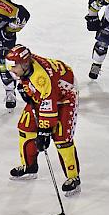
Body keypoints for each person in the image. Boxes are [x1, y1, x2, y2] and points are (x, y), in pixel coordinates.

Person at [5, 45, 80, 196]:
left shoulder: (41, 77)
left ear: (24, 64)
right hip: (47, 93)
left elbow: (49, 106)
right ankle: (29, 167)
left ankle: (73, 178)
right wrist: (24, 87)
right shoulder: (26, 66)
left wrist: (44, 133)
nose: (10, 70)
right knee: (26, 128)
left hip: (65, 96)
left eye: (13, 67)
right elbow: (33, 85)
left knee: (61, 138)